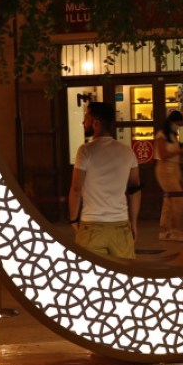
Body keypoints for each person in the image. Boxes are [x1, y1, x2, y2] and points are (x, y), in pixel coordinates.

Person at [68, 101, 141, 260]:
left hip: (92, 226)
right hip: (121, 225)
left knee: (91, 278)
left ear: (96, 123)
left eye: (85, 118)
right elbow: (135, 191)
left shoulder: (85, 151)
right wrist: (133, 223)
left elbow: (76, 189)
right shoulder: (127, 152)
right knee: (124, 276)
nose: (82, 122)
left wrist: (73, 219)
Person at [154, 110, 183, 241]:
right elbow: (163, 155)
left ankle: (167, 230)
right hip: (164, 170)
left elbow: (174, 154)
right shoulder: (161, 135)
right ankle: (173, 230)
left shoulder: (172, 136)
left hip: (174, 169)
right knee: (178, 199)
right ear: (172, 122)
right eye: (178, 123)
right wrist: (180, 150)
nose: (178, 126)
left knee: (169, 200)